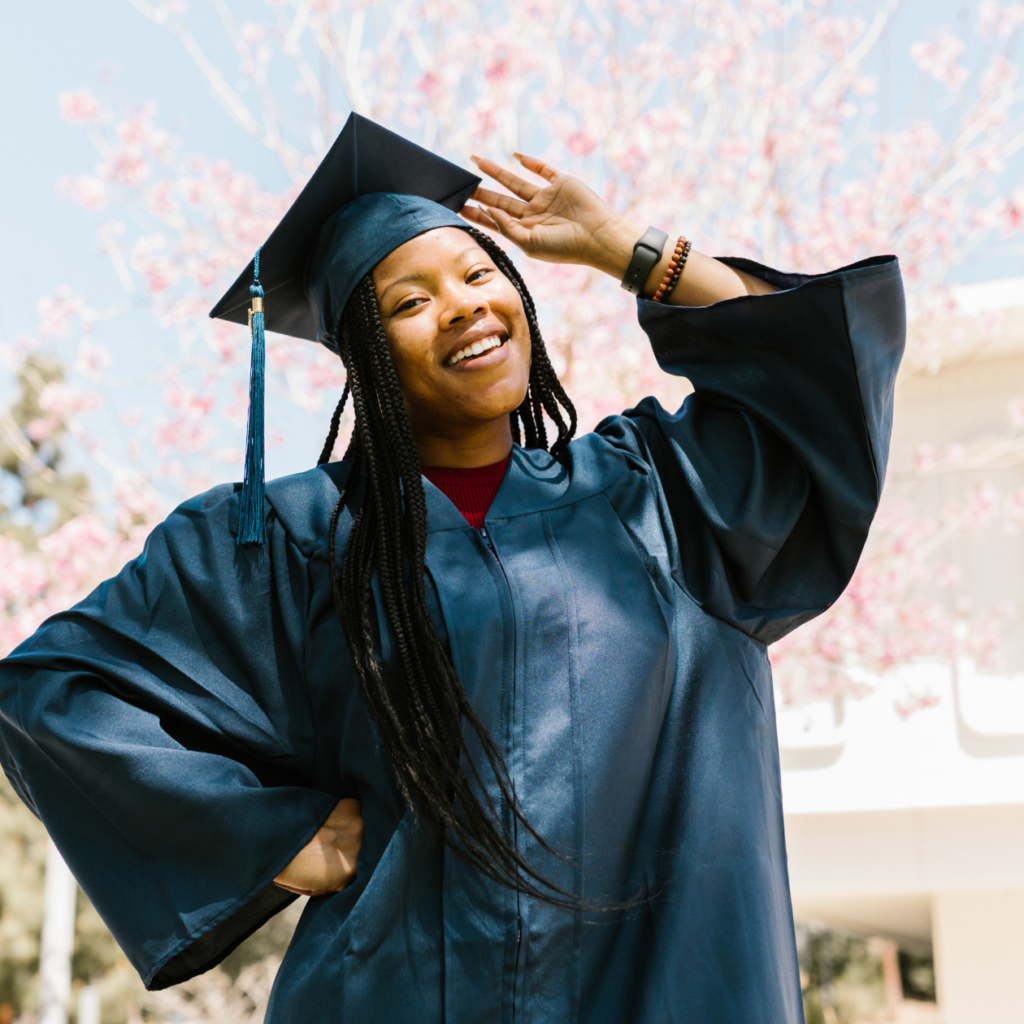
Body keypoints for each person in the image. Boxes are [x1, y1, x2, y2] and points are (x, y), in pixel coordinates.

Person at [0, 114, 905, 1023]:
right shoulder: (288, 538)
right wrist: (269, 837)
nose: (467, 305)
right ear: (367, 359)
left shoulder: (658, 498)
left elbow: (813, 375)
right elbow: (51, 694)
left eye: (479, 274)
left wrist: (625, 250)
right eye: (410, 301)